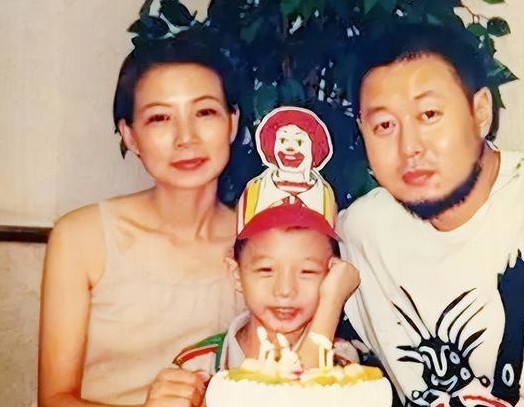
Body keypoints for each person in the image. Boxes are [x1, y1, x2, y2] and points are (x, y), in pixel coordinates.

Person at [337, 25, 524, 406]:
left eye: (429, 114)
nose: (409, 147)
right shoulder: (361, 230)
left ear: (480, 112)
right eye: (384, 126)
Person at [38, 37, 245, 406]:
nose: (186, 138)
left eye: (204, 112)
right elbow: (53, 399)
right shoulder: (82, 238)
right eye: (160, 118)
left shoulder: (256, 242)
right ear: (131, 136)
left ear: (232, 123)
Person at [173, 107, 359, 377]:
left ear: (332, 276)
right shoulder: (196, 368)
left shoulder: (343, 365)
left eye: (307, 272)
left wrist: (331, 303)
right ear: (236, 274)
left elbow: (304, 392)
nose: (285, 290)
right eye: (266, 270)